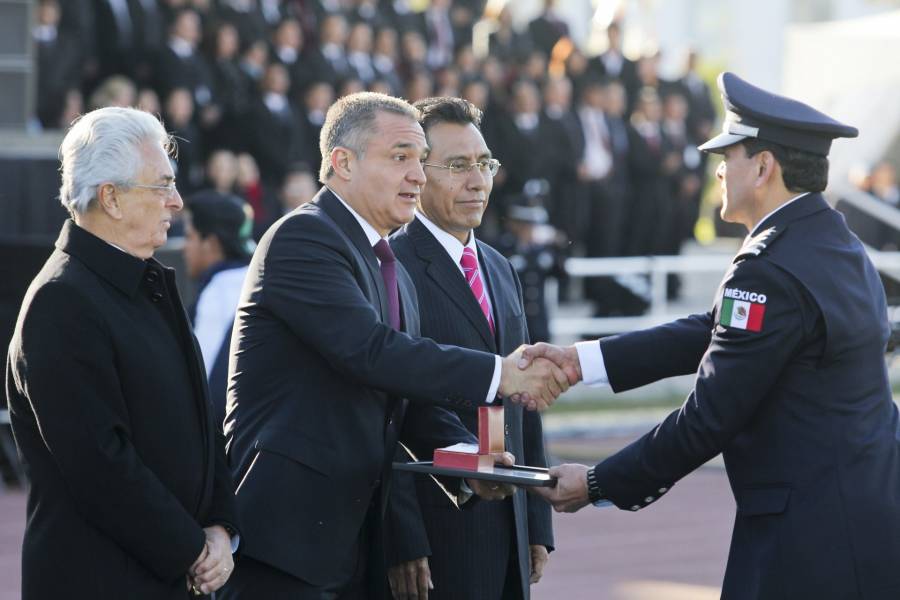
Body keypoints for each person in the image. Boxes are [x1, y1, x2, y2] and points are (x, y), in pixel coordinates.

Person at [524, 72, 900, 599]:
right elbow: (715, 330)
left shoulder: (769, 267)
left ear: (764, 167)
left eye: (730, 157)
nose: (719, 172)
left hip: (806, 539)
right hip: (865, 514)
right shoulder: (834, 243)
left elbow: (708, 417)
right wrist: (580, 361)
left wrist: (596, 483)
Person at [221, 92, 569, 599]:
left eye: (419, 159)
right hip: (291, 541)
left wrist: (471, 464)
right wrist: (502, 373)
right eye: (401, 157)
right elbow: (372, 352)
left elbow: (403, 403)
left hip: (353, 541)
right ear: (342, 163)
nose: (418, 176)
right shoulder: (304, 238)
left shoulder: (387, 263)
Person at [6, 106, 238, 599]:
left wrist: (219, 524)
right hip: (100, 580)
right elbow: (100, 465)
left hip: (167, 573)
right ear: (110, 197)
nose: (176, 202)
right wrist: (193, 551)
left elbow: (201, 417)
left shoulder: (146, 282)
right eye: (162, 185)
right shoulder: (61, 301)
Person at [386, 97, 553, 600]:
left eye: (484, 164)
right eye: (457, 166)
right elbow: (387, 412)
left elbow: (524, 398)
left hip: (508, 525)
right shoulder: (391, 267)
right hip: (436, 535)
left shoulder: (499, 268)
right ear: (416, 171)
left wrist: (536, 519)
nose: (477, 181)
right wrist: (402, 538)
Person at [184, 191, 255, 425]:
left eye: (189, 236)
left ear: (211, 243)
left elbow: (204, 389)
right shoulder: (258, 278)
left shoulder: (219, 294)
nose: (185, 247)